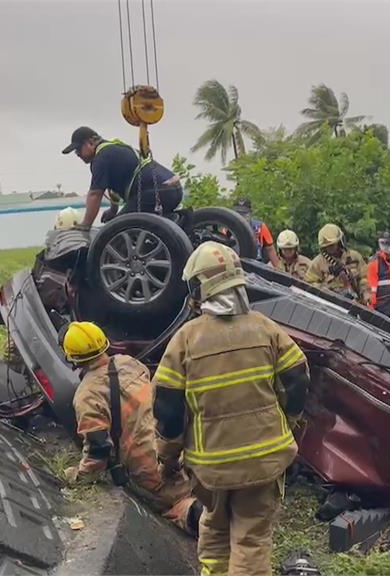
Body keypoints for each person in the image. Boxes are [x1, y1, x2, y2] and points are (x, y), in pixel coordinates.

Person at [152, 241, 309, 576]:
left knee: (215, 530)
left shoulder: (185, 340)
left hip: (211, 468)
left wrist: (167, 457)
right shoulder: (266, 328)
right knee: (251, 540)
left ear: (199, 288)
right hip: (263, 461)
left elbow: (166, 409)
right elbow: (297, 379)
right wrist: (287, 421)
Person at [60, 321, 202, 536]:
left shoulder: (87, 395)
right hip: (178, 447)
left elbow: (98, 449)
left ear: (72, 358)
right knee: (195, 484)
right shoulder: (129, 363)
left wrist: (79, 476)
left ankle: (200, 517)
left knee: (173, 504)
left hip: (150, 467)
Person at [61, 126, 183, 229]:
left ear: (91, 142)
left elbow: (95, 194)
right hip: (174, 189)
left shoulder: (100, 159)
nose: (77, 154)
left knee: (117, 230)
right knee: (125, 223)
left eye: (78, 149)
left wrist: (85, 225)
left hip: (156, 193)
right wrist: (113, 210)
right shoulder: (114, 149)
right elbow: (113, 186)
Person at [305, 223, 370, 303]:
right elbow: (309, 284)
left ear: (339, 242)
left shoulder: (354, 257)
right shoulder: (318, 263)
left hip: (355, 303)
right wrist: (325, 289)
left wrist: (366, 294)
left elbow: (364, 277)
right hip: (331, 305)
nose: (330, 248)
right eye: (327, 246)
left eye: (332, 245)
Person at [232, 198, 281, 268]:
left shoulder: (260, 227)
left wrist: (279, 270)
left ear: (250, 213)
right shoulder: (227, 228)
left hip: (256, 267)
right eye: (238, 213)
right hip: (235, 265)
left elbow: (270, 250)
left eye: (244, 213)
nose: (241, 216)